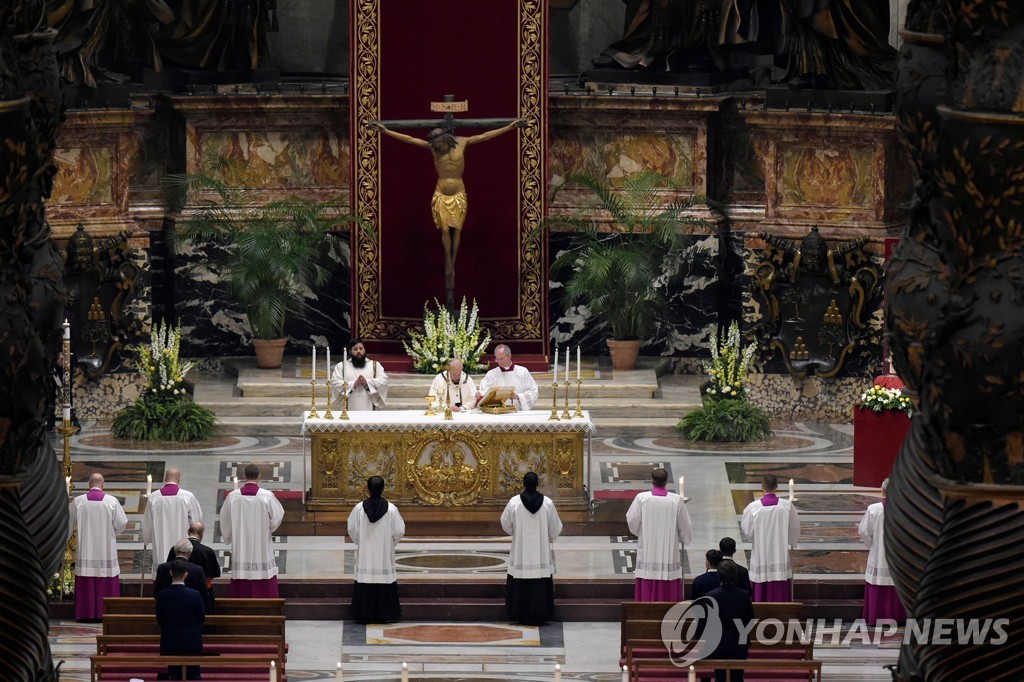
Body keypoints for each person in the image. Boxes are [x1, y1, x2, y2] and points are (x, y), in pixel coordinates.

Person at [369, 119, 526, 303]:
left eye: (440, 144)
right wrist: (385, 131)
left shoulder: (463, 142)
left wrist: (509, 127)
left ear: (447, 139)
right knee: (444, 229)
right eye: (435, 145)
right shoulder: (433, 148)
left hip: (459, 192)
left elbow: (484, 136)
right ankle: (448, 263)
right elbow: (410, 139)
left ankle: (453, 260)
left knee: (457, 229)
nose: (438, 147)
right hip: (441, 193)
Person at [501, 472, 563, 625]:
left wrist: (517, 532)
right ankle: (539, 613)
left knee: (520, 578)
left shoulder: (514, 502)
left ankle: (519, 613)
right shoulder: (547, 503)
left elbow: (505, 523)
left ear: (523, 484)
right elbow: (556, 527)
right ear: (538, 484)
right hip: (540, 552)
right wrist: (546, 533)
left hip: (520, 551)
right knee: (539, 581)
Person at [626, 468, 693, 601]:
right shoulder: (676, 500)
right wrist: (686, 538)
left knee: (648, 572)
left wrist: (640, 532)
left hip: (648, 549)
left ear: (652, 481)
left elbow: (631, 519)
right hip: (668, 551)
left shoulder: (641, 498)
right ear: (666, 481)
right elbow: (685, 525)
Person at [220, 463, 285, 598]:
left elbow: (224, 518)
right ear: (259, 477)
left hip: (241, 542)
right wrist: (268, 529)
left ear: (244, 476)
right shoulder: (267, 496)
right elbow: (278, 515)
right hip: (261, 541)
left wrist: (230, 535)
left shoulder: (233, 496)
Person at [69, 472, 128, 621]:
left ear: (89, 484)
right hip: (105, 548)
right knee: (106, 574)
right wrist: (112, 533)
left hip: (86, 548)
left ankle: (86, 614)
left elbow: (69, 524)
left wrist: (69, 535)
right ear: (103, 484)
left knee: (86, 576)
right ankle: (107, 613)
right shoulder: (111, 501)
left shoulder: (78, 501)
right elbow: (122, 523)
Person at [347, 476, 406, 624]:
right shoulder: (392, 509)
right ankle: (385, 613)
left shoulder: (359, 509)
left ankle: (364, 613)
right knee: (384, 578)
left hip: (366, 553)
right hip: (384, 553)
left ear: (367, 489)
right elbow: (399, 530)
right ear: (383, 488)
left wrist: (359, 541)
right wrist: (391, 543)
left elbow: (352, 528)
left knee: (366, 578)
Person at [740, 474, 800, 601]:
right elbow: (794, 529)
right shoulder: (786, 506)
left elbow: (748, 531)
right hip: (780, 554)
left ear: (762, 487)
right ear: (777, 487)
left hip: (761, 554)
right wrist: (790, 541)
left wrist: (758, 538)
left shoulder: (753, 508)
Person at [858, 478, 906, 625]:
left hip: (879, 553)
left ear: (882, 491)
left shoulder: (874, 509)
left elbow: (864, 532)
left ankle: (875, 617)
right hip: (899, 555)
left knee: (879, 580)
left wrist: (872, 544)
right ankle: (899, 617)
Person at [142, 467, 202, 575]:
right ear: (179, 479)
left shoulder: (154, 497)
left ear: (165, 478)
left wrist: (147, 538)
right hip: (182, 543)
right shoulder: (187, 496)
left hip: (160, 542)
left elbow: (147, 523)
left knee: (162, 568)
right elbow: (196, 521)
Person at [704, 560, 755, 682]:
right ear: (736, 576)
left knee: (720, 676)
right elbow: (750, 619)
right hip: (739, 643)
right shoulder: (744, 595)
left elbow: (708, 624)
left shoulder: (710, 596)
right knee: (738, 676)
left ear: (719, 577)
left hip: (718, 644)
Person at [155, 559, 206, 681]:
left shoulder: (162, 595)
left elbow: (160, 620)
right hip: (192, 640)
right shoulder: (195, 594)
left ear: (171, 573)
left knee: (174, 675)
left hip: (170, 640)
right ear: (186, 574)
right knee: (194, 674)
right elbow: (201, 617)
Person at [155, 538, 213, 615]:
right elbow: (203, 594)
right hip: (191, 613)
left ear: (175, 551)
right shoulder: (197, 570)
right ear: (190, 552)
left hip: (168, 613)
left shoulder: (162, 568)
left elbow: (156, 592)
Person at [167, 521, 222, 600]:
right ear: (202, 534)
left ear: (188, 531)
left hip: (176, 595)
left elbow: (168, 570)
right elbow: (211, 576)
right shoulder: (208, 551)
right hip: (200, 595)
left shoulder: (175, 549)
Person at [476, 344, 539, 411]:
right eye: (497, 359)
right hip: (497, 413)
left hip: (518, 412)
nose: (499, 362)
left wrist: (518, 396)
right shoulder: (491, 374)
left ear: (509, 356)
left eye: (501, 358)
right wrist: (480, 394)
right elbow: (485, 391)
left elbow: (533, 391)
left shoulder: (522, 372)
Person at [331, 339, 389, 411]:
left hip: (370, 408)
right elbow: (335, 383)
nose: (359, 351)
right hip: (349, 409)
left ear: (364, 350)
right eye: (355, 349)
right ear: (350, 351)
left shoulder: (375, 365)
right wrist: (353, 385)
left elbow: (383, 380)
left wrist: (367, 383)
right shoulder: (341, 366)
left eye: (361, 349)